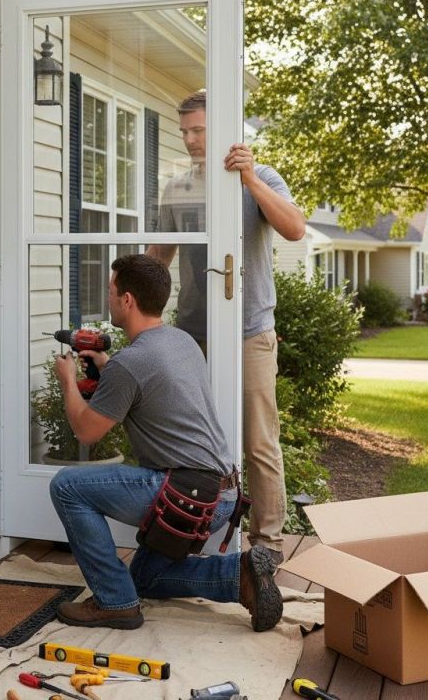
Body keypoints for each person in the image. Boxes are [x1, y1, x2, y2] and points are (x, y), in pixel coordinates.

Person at [50, 254, 282, 632]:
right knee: (146, 577)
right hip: (220, 494)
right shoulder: (180, 341)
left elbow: (86, 432)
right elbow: (149, 387)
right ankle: (238, 575)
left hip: (185, 497)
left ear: (127, 300)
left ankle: (114, 603)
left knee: (66, 487)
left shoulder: (131, 363)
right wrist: (108, 366)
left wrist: (66, 379)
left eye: (111, 291)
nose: (108, 298)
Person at [147, 92, 305, 566]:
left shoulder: (261, 177)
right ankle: (190, 537)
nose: (192, 140)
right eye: (186, 132)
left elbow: (295, 228)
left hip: (249, 331)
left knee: (258, 441)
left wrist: (250, 178)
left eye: (200, 130)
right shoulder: (178, 190)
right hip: (194, 334)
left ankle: (268, 549)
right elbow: (159, 259)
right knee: (192, 441)